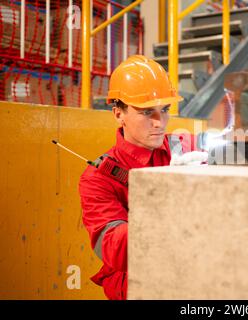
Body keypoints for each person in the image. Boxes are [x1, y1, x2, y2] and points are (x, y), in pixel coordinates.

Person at [79, 55, 200, 300]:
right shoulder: (97, 179)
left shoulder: (184, 148)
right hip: (138, 284)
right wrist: (166, 201)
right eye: (146, 112)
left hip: (190, 273)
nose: (159, 122)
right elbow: (114, 249)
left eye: (164, 110)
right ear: (118, 114)